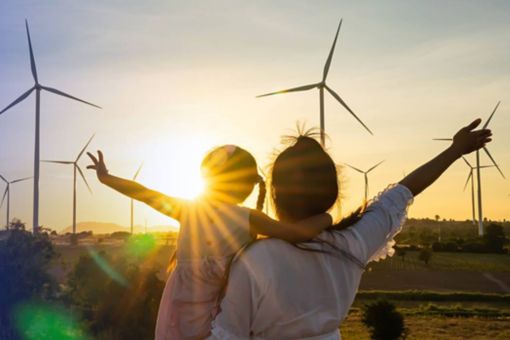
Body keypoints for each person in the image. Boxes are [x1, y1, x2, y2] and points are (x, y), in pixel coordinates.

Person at [209, 119, 492, 339]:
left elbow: (228, 334)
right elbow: (405, 190)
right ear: (332, 192)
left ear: (275, 192)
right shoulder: (353, 242)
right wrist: (455, 150)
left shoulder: (255, 260)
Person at [86, 145, 333, 339]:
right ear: (247, 185)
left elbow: (143, 194)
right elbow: (295, 233)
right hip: (222, 314)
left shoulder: (188, 209)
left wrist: (106, 178)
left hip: (181, 310)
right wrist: (326, 217)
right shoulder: (248, 218)